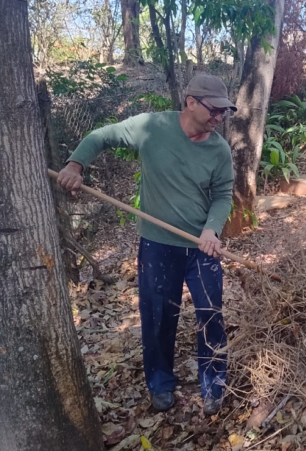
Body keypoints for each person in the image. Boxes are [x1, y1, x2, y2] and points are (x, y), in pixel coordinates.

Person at [57, 74, 236, 414]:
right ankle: (160, 383)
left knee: (210, 315)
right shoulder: (152, 128)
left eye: (225, 112)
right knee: (157, 317)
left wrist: (212, 229)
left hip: (202, 247)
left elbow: (223, 195)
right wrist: (75, 164)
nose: (219, 118)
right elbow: (101, 136)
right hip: (157, 245)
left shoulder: (219, 150)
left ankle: (213, 384)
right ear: (191, 102)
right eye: (214, 110)